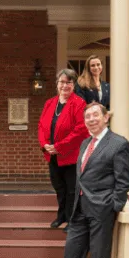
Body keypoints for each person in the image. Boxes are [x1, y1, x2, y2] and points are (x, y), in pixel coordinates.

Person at [63, 102, 129, 258]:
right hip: (79, 209)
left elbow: (125, 181)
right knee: (71, 256)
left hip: (101, 210)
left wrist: (112, 205)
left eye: (95, 115)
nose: (91, 119)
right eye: (87, 116)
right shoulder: (85, 144)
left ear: (106, 117)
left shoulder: (118, 144)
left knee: (99, 257)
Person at [38, 69, 88, 230]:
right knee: (59, 188)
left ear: (73, 85)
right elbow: (41, 126)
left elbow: (81, 130)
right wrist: (44, 144)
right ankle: (61, 216)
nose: (64, 85)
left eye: (68, 82)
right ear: (57, 84)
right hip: (52, 155)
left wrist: (59, 146)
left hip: (70, 155)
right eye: (62, 82)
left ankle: (72, 220)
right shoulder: (49, 103)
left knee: (72, 190)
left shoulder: (79, 103)